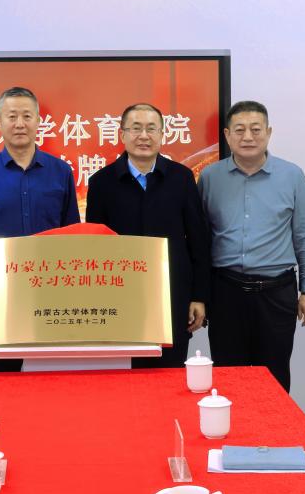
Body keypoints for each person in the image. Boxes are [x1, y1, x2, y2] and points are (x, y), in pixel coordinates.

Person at [0, 86, 80, 371]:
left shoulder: (61, 172)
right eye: (12, 116)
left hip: (51, 287)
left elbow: (72, 238)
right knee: (0, 376)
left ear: (38, 121)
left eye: (27, 116)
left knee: (51, 374)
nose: (20, 124)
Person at [198, 100, 305, 391]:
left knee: (274, 379)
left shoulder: (292, 176)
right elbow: (200, 240)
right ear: (227, 135)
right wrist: (199, 294)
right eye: (239, 130)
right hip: (225, 293)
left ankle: (274, 425)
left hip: (276, 293)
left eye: (256, 129)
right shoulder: (210, 177)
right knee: (228, 379)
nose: (248, 137)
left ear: (269, 132)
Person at [85, 103, 211, 367]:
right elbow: (94, 248)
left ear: (162, 134)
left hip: (172, 296)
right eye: (136, 128)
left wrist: (198, 296)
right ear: (122, 134)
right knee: (123, 376)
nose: (144, 136)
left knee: (170, 373)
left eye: (151, 129)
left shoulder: (181, 178)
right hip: (119, 299)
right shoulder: (101, 183)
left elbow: (198, 241)